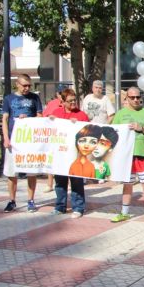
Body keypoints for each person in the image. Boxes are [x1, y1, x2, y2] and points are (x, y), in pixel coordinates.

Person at [111, 87, 144, 223]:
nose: (136, 99)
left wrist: (142, 128)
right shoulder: (121, 114)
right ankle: (124, 213)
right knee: (128, 184)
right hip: (127, 156)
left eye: (138, 97)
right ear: (127, 98)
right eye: (132, 97)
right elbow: (112, 132)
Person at [2, 74, 43, 213]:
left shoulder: (35, 98)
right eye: (24, 85)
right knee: (11, 172)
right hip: (14, 140)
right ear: (17, 84)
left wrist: (28, 119)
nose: (27, 88)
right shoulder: (9, 98)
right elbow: (4, 119)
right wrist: (6, 138)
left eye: (29, 85)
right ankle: (12, 201)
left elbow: (40, 116)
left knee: (31, 172)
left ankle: (31, 200)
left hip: (30, 140)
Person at [49, 88, 90, 217]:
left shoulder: (81, 115)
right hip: (60, 154)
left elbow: (88, 131)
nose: (73, 103)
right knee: (60, 182)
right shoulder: (56, 113)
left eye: (74, 100)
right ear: (63, 102)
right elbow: (47, 128)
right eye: (70, 101)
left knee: (76, 182)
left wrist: (78, 125)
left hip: (75, 154)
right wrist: (50, 121)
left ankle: (78, 207)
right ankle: (60, 206)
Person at [42, 84, 65, 192]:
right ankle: (49, 184)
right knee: (50, 159)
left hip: (64, 136)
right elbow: (44, 117)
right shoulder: (52, 104)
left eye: (64, 93)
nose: (62, 95)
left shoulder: (69, 103)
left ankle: (67, 182)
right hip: (52, 135)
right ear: (57, 94)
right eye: (61, 93)